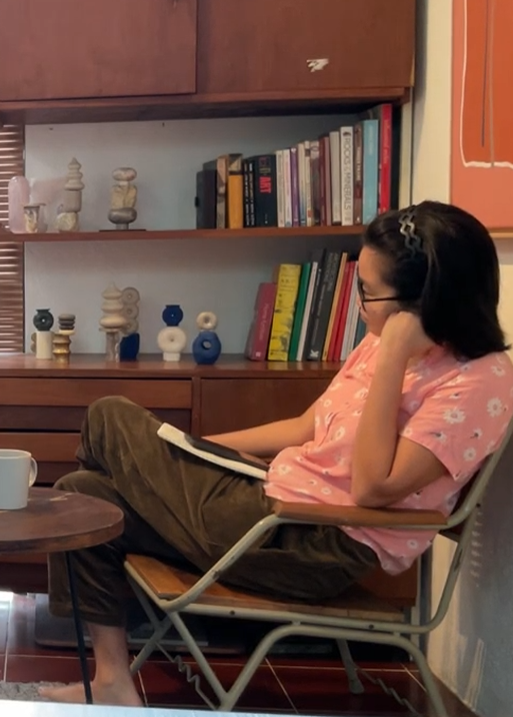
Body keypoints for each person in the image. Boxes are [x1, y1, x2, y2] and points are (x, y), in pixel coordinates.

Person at [40, 201, 513, 706]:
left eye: (368, 293)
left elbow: (372, 487)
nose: (358, 305)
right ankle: (112, 681)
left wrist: (395, 353)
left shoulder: (480, 382)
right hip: (264, 502)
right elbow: (307, 425)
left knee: (109, 414)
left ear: (425, 303)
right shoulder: (379, 339)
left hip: (306, 542)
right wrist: (194, 450)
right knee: (83, 497)